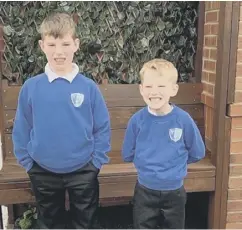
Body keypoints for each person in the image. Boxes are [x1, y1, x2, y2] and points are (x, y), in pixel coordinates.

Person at [12, 12, 111, 229]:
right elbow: (22, 127)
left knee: (86, 223)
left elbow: (102, 126)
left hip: (84, 169)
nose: (59, 52)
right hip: (42, 170)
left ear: (76, 45)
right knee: (49, 223)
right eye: (52, 44)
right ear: (42, 46)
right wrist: (28, 163)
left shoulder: (88, 88)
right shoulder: (31, 87)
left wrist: (96, 162)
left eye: (65, 44)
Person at [122, 58, 205, 229]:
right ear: (141, 89)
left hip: (174, 191)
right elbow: (127, 153)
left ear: (173, 89)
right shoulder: (137, 121)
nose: (154, 92)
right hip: (145, 190)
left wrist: (174, 164)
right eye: (149, 86)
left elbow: (197, 152)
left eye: (161, 86)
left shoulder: (183, 120)